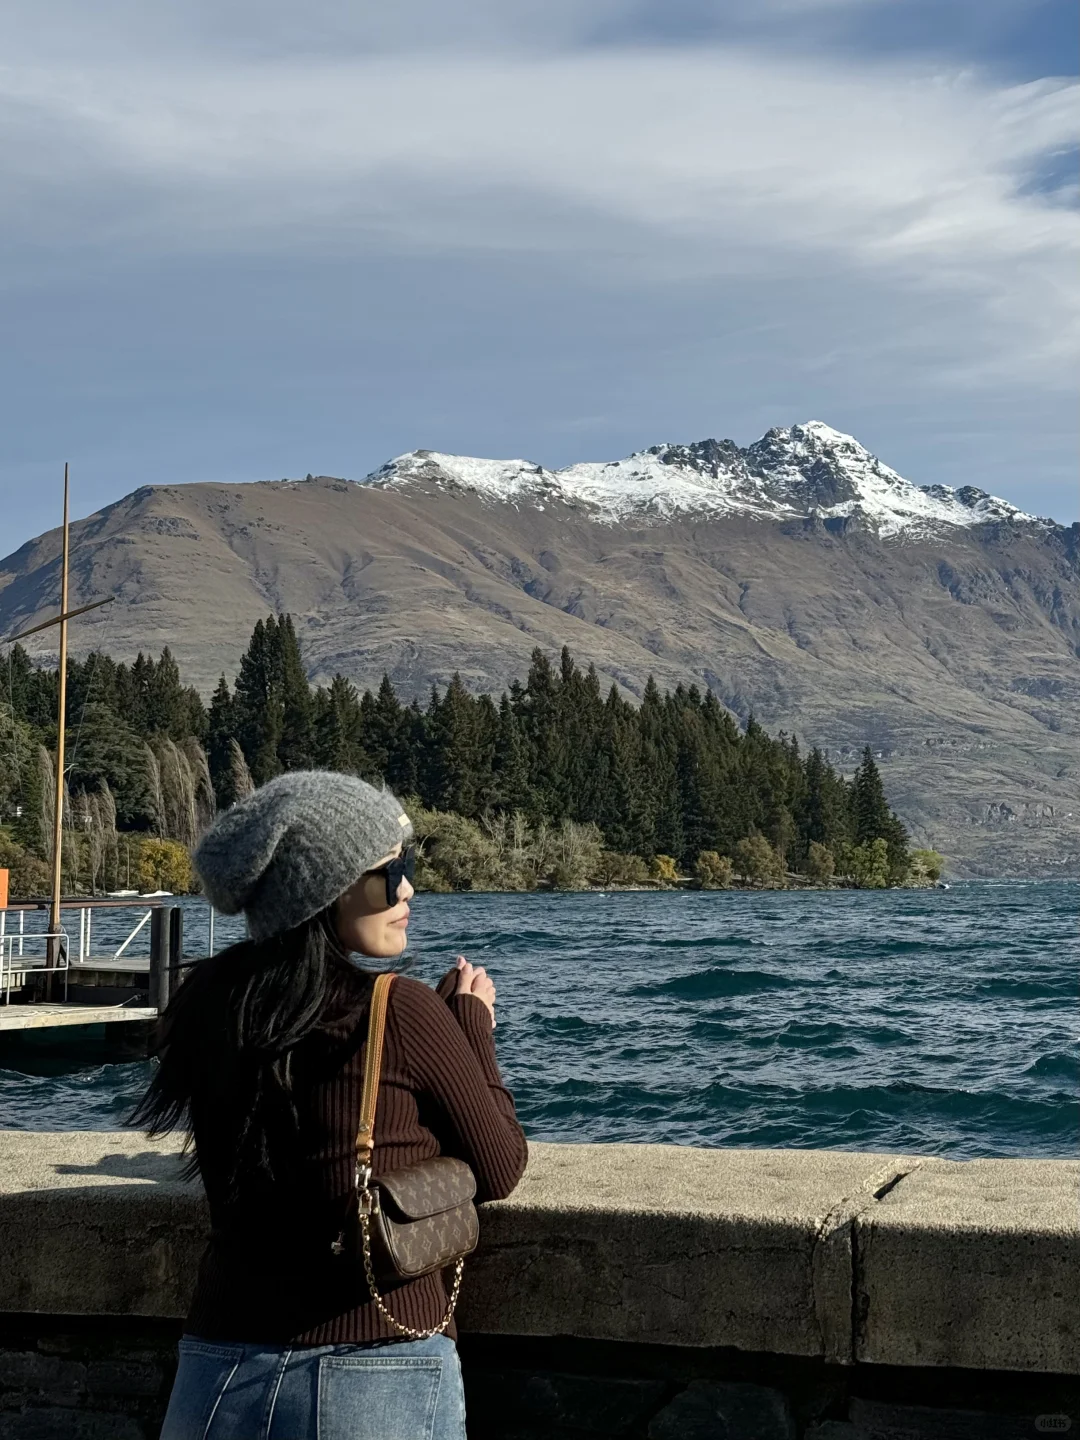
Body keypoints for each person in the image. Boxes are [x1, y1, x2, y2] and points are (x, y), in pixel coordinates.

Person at [133, 770, 528, 1440]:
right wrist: (471, 1027)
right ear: (325, 891)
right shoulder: (400, 1009)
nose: (406, 890)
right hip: (373, 1368)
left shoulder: (207, 1004)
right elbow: (501, 1167)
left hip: (217, 1370)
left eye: (405, 867)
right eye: (386, 874)